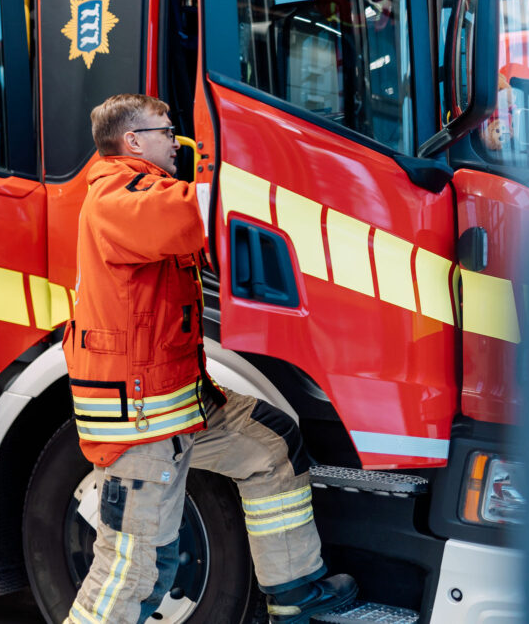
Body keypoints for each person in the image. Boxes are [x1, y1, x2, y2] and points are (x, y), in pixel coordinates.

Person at [63, 94, 356, 624]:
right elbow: (193, 213)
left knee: (270, 445)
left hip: (179, 400)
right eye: (165, 131)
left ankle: (293, 591)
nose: (177, 142)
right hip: (142, 418)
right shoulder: (116, 195)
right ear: (133, 141)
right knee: (134, 568)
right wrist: (259, 164)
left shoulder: (142, 190)